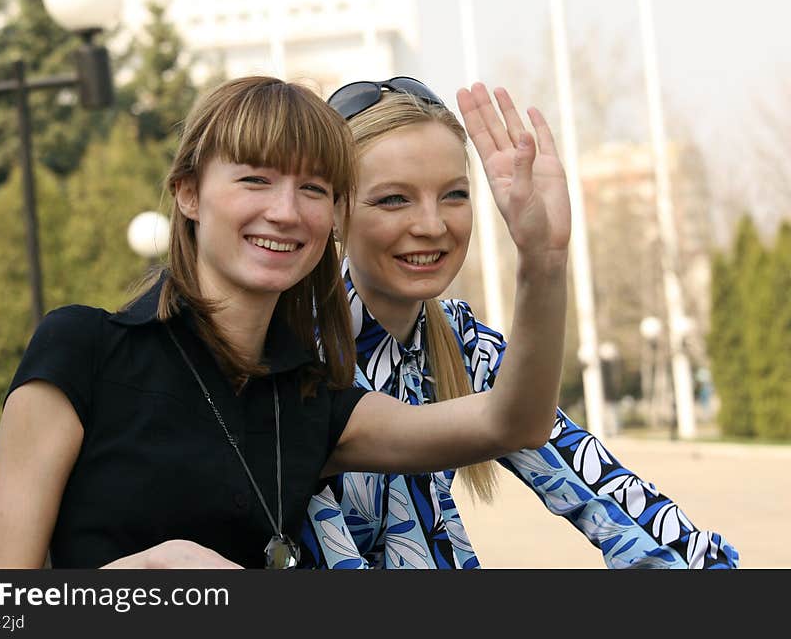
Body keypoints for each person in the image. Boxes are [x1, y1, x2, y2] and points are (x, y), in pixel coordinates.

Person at [0, 75, 571, 569]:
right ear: (188, 193)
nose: (284, 212)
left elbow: (511, 422)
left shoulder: (313, 399)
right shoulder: (82, 349)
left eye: (312, 188)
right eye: (255, 179)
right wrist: (148, 574)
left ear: (334, 214)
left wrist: (543, 264)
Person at [299, 77, 739, 569]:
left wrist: (544, 259)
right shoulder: (290, 352)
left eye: (454, 195)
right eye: (393, 199)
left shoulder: (464, 342)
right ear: (333, 212)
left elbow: (601, 488)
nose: (431, 225)